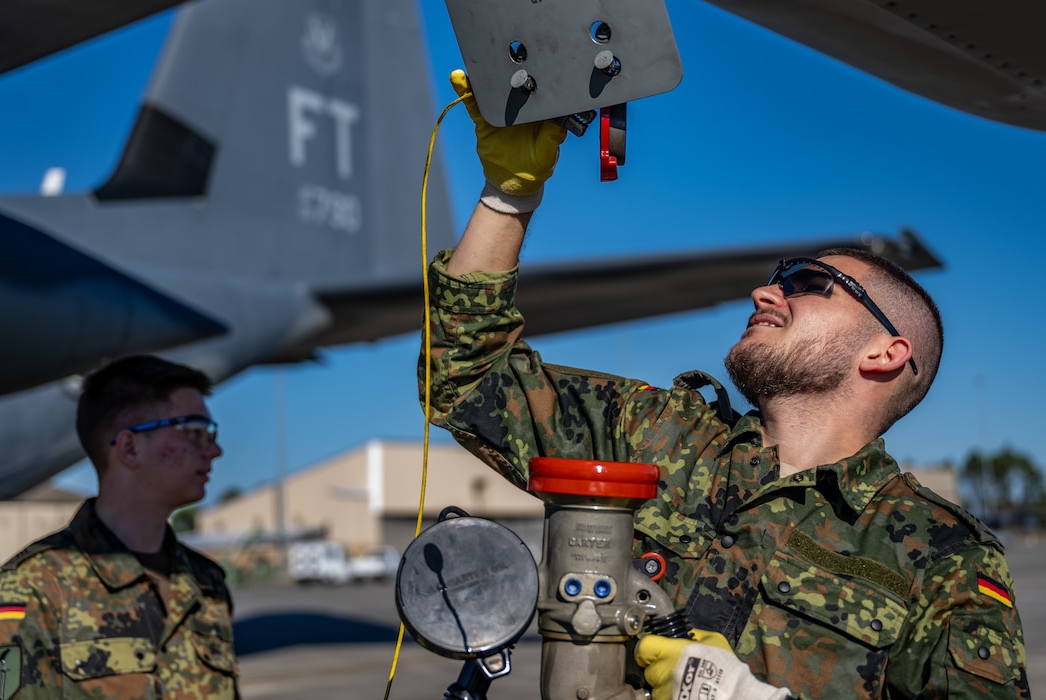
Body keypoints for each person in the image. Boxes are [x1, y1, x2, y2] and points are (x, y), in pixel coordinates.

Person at [418, 71, 1028, 698]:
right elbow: (465, 374)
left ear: (885, 352)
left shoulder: (944, 554)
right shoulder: (655, 435)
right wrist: (508, 196)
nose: (767, 292)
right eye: (776, 280)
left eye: (809, 285)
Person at [0, 355, 238, 699]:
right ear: (129, 446)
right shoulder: (34, 588)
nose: (214, 450)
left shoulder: (207, 582)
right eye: (194, 432)